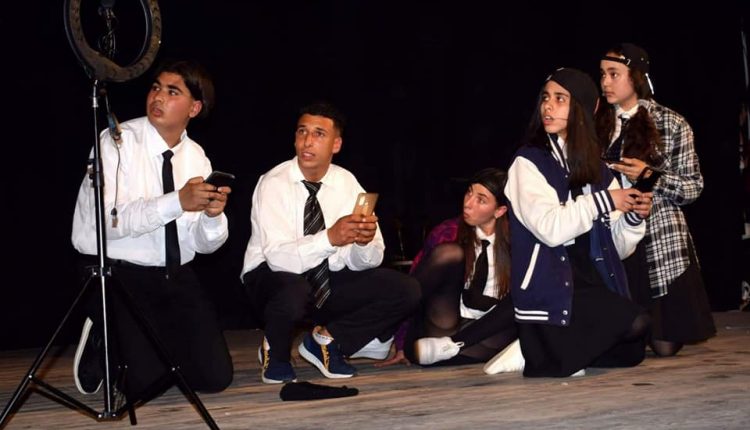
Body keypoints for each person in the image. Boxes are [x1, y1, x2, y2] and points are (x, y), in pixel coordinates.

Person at [71, 59, 233, 397]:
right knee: (141, 386)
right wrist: (177, 201)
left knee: (214, 378)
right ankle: (102, 333)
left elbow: (203, 246)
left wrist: (212, 216)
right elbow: (109, 220)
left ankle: (149, 343)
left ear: (194, 108)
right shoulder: (116, 142)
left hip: (174, 273)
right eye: (156, 88)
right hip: (120, 272)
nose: (158, 97)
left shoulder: (197, 156)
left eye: (173, 92)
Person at [241, 102, 420, 384]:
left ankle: (327, 341)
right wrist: (330, 237)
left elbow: (369, 261)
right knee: (293, 290)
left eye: (319, 134)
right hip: (271, 278)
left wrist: (362, 243)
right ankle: (275, 352)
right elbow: (278, 260)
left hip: (326, 278)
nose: (307, 141)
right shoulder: (273, 182)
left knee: (406, 289)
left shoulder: (347, 182)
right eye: (302, 131)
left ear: (336, 144)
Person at [504, 67, 653, 377]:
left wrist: (632, 217)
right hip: (551, 288)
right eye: (546, 98)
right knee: (632, 324)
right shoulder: (528, 161)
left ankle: (553, 351)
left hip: (587, 282)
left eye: (560, 99)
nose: (548, 106)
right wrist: (605, 201)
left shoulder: (598, 170)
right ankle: (532, 349)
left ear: (585, 108)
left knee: (634, 343)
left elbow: (618, 249)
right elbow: (551, 229)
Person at [596, 43, 716, 355]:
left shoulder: (671, 123)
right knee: (622, 340)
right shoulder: (595, 124)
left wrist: (649, 175)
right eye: (603, 74)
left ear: (635, 77)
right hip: (612, 231)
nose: (605, 82)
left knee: (665, 346)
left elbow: (693, 187)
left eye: (613, 74)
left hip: (658, 236)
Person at [379, 168, 520, 371]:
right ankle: (383, 330)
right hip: (443, 327)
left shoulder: (518, 242)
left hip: (489, 333)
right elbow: (414, 289)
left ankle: (453, 347)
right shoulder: (448, 232)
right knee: (450, 253)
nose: (468, 203)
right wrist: (400, 342)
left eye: (481, 200)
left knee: (524, 293)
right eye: (469, 193)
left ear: (499, 211)